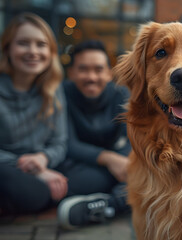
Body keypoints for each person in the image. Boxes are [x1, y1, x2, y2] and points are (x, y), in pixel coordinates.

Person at [57, 40, 131, 229]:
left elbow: (132, 138)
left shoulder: (120, 94)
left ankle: (108, 206)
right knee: (72, 183)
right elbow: (68, 143)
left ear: (108, 73)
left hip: (119, 164)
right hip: (81, 166)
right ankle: (123, 196)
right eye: (83, 69)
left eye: (98, 69)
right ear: (71, 72)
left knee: (143, 171)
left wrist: (122, 161)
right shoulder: (61, 94)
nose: (91, 77)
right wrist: (108, 159)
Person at [0, 12, 68, 215]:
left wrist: (43, 159)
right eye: (23, 43)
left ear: (51, 51)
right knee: (34, 192)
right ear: (8, 49)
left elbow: (60, 142)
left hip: (36, 169)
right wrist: (31, 169)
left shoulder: (53, 88)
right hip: (6, 168)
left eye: (41, 44)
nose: (33, 51)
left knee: (87, 179)